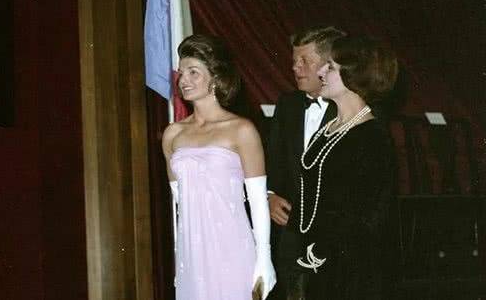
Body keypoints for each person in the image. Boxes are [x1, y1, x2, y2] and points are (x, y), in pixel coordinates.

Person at [164, 34, 276, 300]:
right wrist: (181, 257)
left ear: (215, 76)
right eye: (181, 73)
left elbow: (259, 202)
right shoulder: (173, 134)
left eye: (193, 72)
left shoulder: (241, 130)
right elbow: (179, 203)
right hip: (193, 253)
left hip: (232, 247)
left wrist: (264, 259)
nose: (184, 80)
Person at [293, 35, 398, 299]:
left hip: (350, 271)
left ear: (354, 75)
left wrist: (322, 252)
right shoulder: (328, 130)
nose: (320, 72)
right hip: (316, 261)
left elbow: (365, 215)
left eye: (330, 67)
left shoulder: (372, 137)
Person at [265, 25, 345, 300]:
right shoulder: (286, 105)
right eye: (294, 61)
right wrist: (270, 196)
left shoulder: (351, 111)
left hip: (333, 238)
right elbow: (272, 161)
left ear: (329, 64)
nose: (296, 68)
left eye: (305, 61)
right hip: (289, 233)